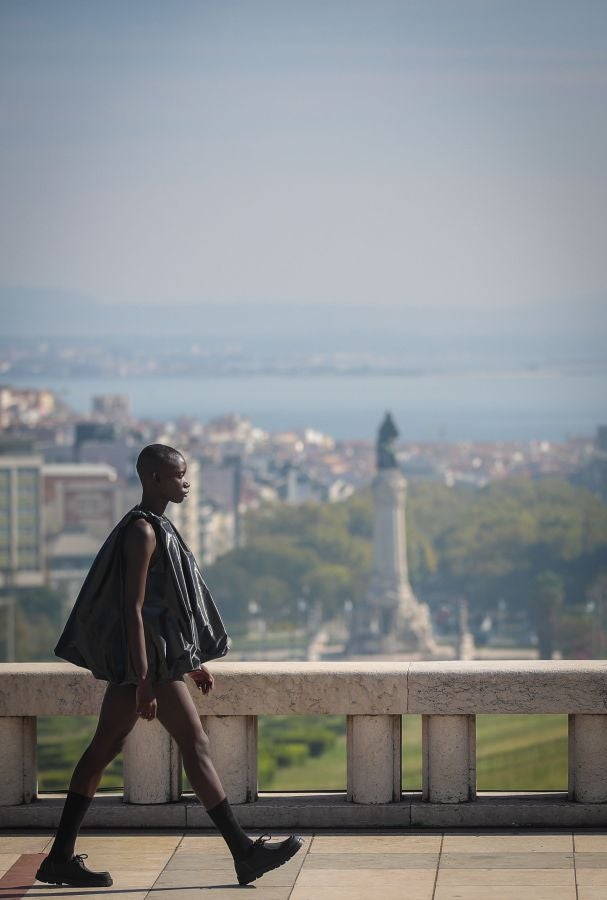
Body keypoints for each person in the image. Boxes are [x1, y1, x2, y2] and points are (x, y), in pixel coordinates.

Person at [36, 443, 303, 888]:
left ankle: (60, 857)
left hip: (158, 663)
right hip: (149, 667)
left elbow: (164, 609)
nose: (187, 483)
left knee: (106, 747)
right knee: (189, 744)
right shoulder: (141, 532)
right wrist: (144, 680)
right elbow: (133, 610)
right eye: (179, 476)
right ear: (155, 479)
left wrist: (191, 661)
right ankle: (244, 853)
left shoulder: (158, 526)